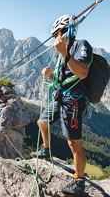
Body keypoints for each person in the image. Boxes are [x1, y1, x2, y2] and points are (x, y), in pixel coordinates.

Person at [30, 14, 93, 196]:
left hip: (73, 100)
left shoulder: (82, 45)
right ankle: (45, 150)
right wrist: (50, 75)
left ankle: (79, 182)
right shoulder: (63, 51)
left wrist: (64, 52)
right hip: (60, 96)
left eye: (60, 32)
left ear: (70, 30)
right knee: (42, 122)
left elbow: (82, 73)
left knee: (74, 143)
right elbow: (62, 79)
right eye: (56, 33)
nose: (58, 36)